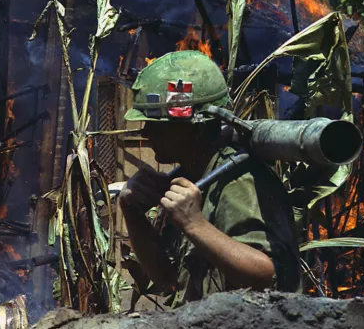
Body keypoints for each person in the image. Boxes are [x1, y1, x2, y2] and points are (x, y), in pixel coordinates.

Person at [118, 51, 300, 306]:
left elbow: (266, 275)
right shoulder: (194, 176)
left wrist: (195, 225)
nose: (147, 132)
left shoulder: (238, 181)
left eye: (159, 124)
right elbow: (165, 276)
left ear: (197, 126)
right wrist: (133, 214)